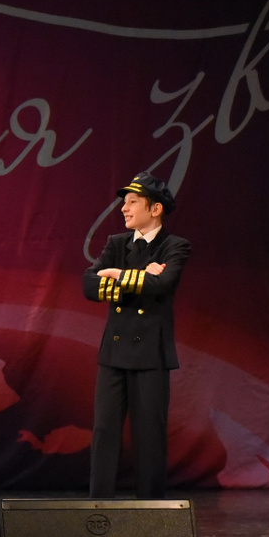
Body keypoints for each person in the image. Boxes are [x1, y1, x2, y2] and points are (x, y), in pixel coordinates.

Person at [85, 172, 190, 498]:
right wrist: (140, 277)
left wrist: (119, 275)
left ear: (155, 208)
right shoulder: (117, 243)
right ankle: (99, 506)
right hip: (114, 353)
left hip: (150, 354)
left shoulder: (174, 246)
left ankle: (151, 508)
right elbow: (89, 284)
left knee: (149, 434)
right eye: (125, 202)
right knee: (104, 431)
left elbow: (163, 284)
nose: (124, 209)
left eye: (132, 202)